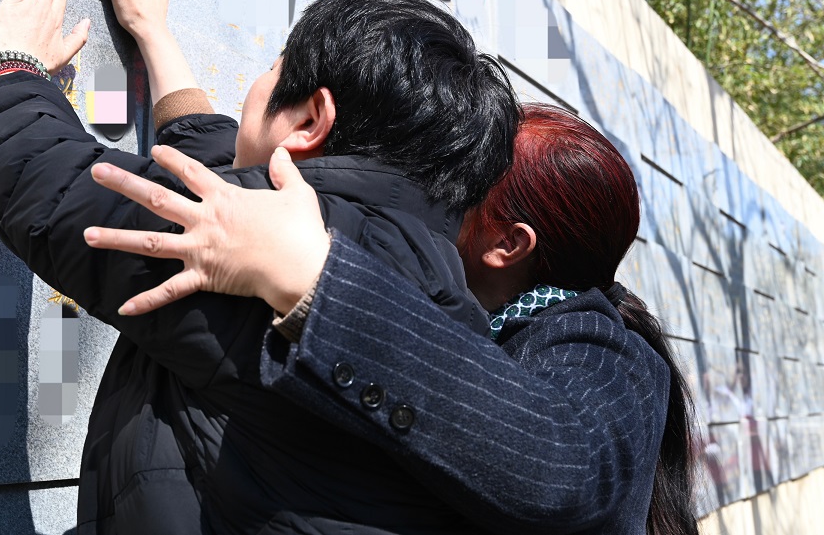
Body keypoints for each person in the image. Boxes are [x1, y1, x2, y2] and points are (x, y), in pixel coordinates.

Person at [0, 0, 521, 533]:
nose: (257, 86)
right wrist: (152, 32)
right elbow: (220, 164)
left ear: (311, 121)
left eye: (274, 68)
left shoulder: (283, 265)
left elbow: (46, 186)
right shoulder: (429, 289)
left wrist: (15, 67)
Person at [85, 104, 699, 535]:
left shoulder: (607, 353)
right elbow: (235, 187)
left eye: (464, 182)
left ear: (508, 244)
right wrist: (157, 40)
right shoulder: (478, 304)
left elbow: (558, 470)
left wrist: (317, 283)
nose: (435, 183)